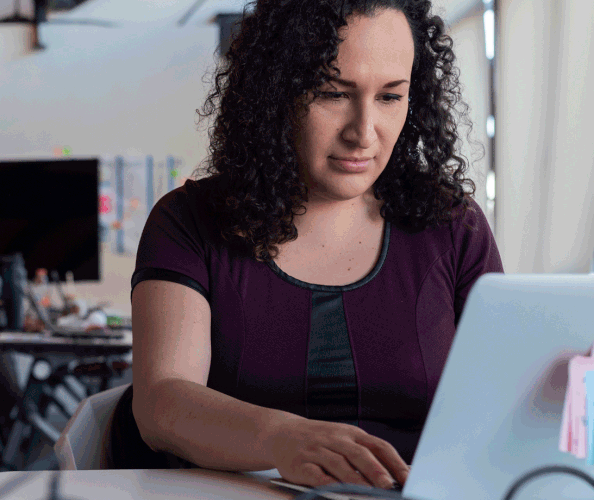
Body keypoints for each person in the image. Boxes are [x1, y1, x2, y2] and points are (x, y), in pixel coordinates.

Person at [108, 0, 503, 489]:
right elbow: (163, 400)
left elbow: (503, 397)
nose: (364, 132)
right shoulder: (189, 221)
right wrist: (282, 437)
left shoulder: (453, 228)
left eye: (390, 97)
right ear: (275, 93)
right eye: (333, 93)